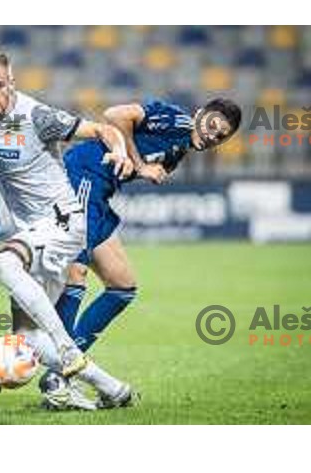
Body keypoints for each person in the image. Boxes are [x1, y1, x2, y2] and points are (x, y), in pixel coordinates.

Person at [0, 49, 137, 410]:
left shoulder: (36, 116)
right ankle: (114, 389)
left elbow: (103, 129)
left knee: (3, 265)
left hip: (63, 222)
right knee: (27, 339)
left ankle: (68, 349)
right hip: (34, 233)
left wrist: (119, 152)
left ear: (12, 83)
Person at [45, 97, 242, 404]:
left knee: (122, 286)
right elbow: (115, 114)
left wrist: (142, 166)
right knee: (76, 271)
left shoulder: (178, 150)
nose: (211, 135)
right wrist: (140, 166)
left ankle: (60, 370)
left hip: (100, 193)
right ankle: (57, 378)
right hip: (83, 176)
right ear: (200, 113)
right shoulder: (177, 121)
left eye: (220, 136)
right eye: (212, 125)